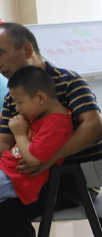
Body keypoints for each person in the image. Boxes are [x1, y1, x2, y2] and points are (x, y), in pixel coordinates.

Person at [0, 23, 102, 237]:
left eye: (2, 53)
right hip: (35, 173)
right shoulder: (14, 94)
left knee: (6, 210)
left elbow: (94, 126)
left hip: (72, 180)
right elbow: (6, 142)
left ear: (27, 50)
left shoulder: (69, 81)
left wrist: (47, 160)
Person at [0, 66, 73, 206]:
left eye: (19, 102)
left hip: (15, 179)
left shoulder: (56, 124)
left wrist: (19, 133)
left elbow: (33, 160)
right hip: (6, 170)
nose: (17, 108)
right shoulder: (38, 115)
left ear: (40, 98)